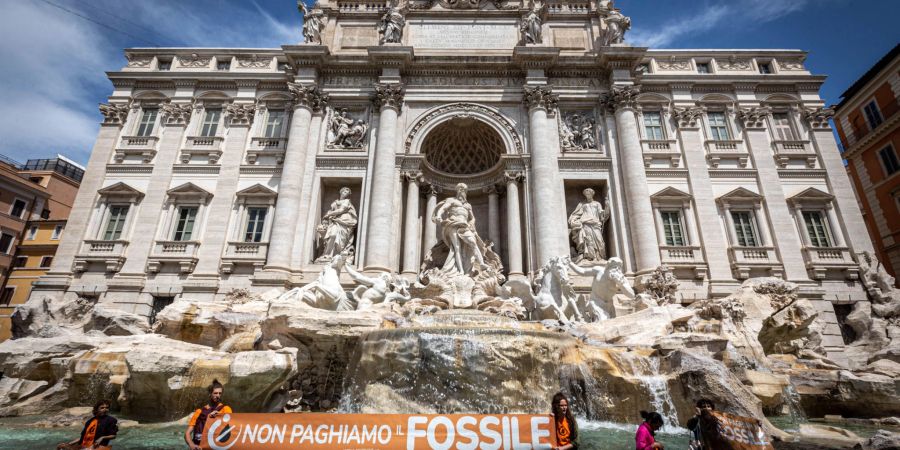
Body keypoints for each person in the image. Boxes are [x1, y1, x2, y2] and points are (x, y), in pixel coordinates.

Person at [185, 379, 232, 450]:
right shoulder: (199, 412)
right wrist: (192, 445)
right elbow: (187, 434)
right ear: (210, 394)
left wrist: (219, 416)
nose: (218, 395)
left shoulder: (226, 409)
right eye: (215, 393)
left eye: (220, 393)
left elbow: (232, 428)